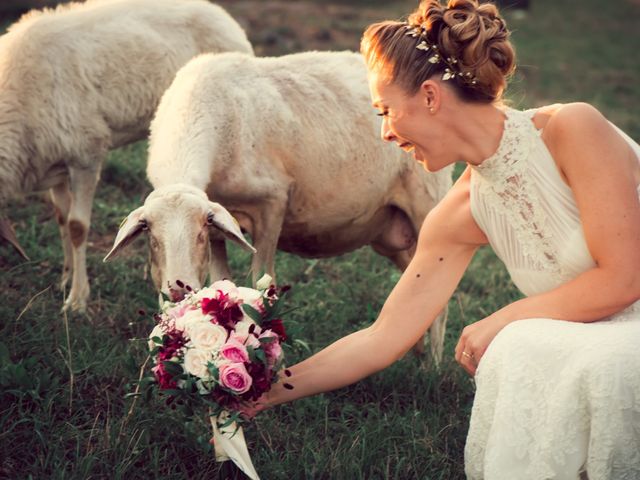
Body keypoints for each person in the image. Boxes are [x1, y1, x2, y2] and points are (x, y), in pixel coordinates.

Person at [244, 0, 640, 477]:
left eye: (386, 110)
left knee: (542, 348)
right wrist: (265, 389)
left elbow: (623, 278)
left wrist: (503, 320)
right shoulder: (459, 212)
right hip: (599, 334)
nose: (386, 132)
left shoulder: (573, 128)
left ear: (430, 97)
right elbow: (383, 337)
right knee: (528, 349)